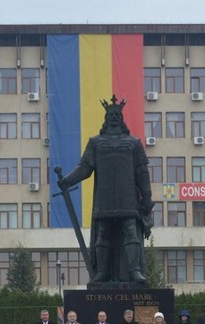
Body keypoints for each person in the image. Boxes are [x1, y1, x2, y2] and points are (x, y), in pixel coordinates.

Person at [58, 95, 154, 283]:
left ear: (121, 118)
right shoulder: (96, 143)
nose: (113, 118)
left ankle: (134, 271)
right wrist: (68, 181)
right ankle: (102, 272)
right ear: (106, 118)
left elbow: (142, 172)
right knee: (103, 233)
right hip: (105, 198)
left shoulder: (134, 143)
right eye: (111, 115)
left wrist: (147, 198)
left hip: (128, 198)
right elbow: (84, 168)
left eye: (117, 115)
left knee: (130, 231)